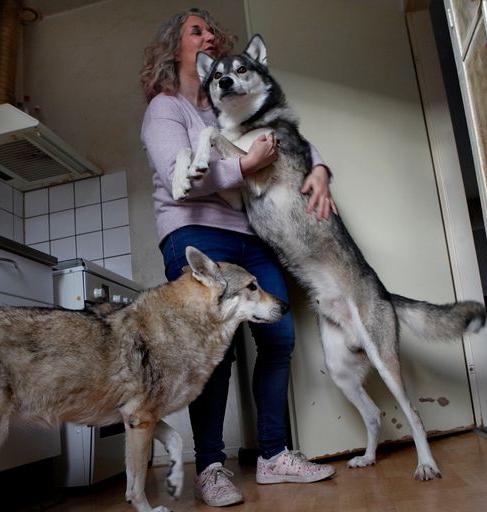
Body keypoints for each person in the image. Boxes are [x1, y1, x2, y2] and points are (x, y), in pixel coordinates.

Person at [140, 8, 337, 508]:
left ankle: (273, 457)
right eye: (196, 31)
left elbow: (289, 137)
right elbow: (176, 180)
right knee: (215, 353)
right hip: (196, 236)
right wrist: (246, 165)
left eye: (212, 31)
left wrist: (320, 170)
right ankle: (210, 467)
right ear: (174, 48)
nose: (209, 38)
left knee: (279, 339)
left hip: (252, 237)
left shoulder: (229, 105)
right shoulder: (166, 109)